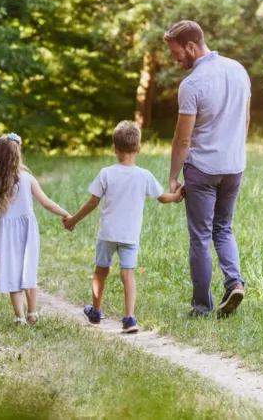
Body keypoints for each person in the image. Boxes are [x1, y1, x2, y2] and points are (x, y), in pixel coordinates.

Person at [164, 20, 251, 318]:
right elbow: (245, 120)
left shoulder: (192, 84)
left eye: (176, 52)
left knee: (200, 235)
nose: (175, 60)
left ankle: (201, 306)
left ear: (191, 46)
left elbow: (183, 138)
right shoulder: (238, 70)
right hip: (234, 165)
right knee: (223, 228)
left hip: (203, 169)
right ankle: (234, 282)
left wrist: (174, 177)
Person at [63, 121, 183, 333]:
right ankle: (129, 319)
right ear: (138, 149)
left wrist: (73, 220)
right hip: (129, 235)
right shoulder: (143, 175)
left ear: (114, 149)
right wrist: (176, 196)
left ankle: (96, 313)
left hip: (107, 234)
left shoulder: (106, 173)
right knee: (127, 274)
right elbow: (162, 197)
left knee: (100, 272)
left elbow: (92, 202)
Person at [0, 133, 70, 325]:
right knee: (28, 270)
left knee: (12, 272)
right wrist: (66, 214)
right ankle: (33, 313)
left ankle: (19, 317)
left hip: (7, 233)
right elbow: (46, 202)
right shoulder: (27, 178)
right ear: (17, 155)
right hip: (27, 231)